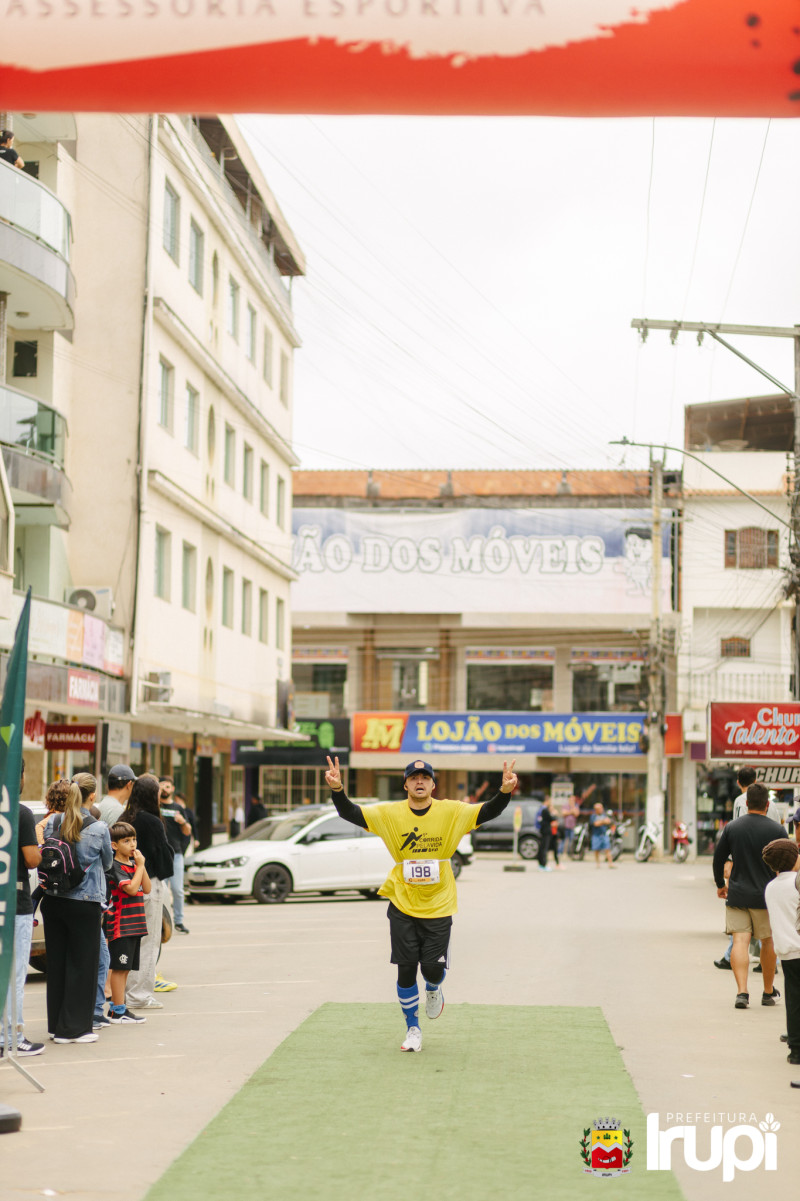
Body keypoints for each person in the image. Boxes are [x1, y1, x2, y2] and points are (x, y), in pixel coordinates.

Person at [325, 754, 519, 1053]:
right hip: (402, 902)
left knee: (431, 970)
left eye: (425, 778)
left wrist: (504, 792)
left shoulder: (452, 811)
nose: (419, 782)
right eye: (414, 778)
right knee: (405, 969)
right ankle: (412, 1029)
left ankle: (433, 987)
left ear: (433, 785)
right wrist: (338, 789)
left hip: (439, 903)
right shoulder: (389, 813)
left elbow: (488, 810)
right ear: (405, 785)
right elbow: (350, 812)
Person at [41, 775, 112, 1044]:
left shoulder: (54, 822)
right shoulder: (99, 827)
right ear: (91, 795)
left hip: (53, 899)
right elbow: (107, 863)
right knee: (83, 965)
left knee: (57, 964)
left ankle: (55, 1025)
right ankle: (74, 1029)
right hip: (84, 901)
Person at [712, 782, 785, 1010]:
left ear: (746, 803)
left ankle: (742, 993)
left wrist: (720, 884)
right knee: (768, 942)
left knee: (740, 942)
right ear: (767, 804)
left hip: (738, 894)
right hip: (766, 897)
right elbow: (786, 863)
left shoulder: (732, 828)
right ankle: (767, 992)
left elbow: (718, 859)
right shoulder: (777, 830)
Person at [1, 759, 44, 1059]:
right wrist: (39, 846)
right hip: (15, 903)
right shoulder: (20, 812)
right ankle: (12, 1037)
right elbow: (31, 859)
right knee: (14, 975)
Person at [120, 775, 175, 1010]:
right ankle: (140, 995)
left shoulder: (125, 818)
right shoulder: (152, 821)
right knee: (149, 941)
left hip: (126, 885)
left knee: (130, 942)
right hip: (148, 884)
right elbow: (165, 860)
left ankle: (124, 993)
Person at [104, 823, 150, 1025]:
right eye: (126, 841)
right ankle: (117, 1010)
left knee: (126, 969)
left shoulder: (133, 865)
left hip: (135, 924)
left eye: (134, 840)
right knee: (119, 968)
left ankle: (119, 1008)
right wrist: (139, 866)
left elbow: (146, 888)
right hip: (121, 925)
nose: (132, 844)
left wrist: (140, 865)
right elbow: (131, 889)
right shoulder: (115, 867)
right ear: (114, 845)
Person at [762, 838, 800, 1066]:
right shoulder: (796, 882)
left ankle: (795, 1050)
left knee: (793, 1000)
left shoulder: (771, 888)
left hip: (786, 952)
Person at [158, 778, 192, 934]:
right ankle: (161, 922)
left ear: (172, 788)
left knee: (178, 890)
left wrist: (183, 822)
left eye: (167, 786)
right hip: (160, 854)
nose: (165, 789)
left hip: (176, 854)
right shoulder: (156, 806)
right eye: (162, 786)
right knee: (161, 890)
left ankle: (179, 921)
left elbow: (187, 831)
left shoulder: (178, 808)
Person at [589, 801, 616, 868]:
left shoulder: (604, 815)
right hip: (596, 835)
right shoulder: (593, 816)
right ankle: (598, 864)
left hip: (604, 834)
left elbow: (608, 821)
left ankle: (610, 863)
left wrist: (601, 822)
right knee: (596, 850)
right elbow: (595, 824)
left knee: (607, 849)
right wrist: (603, 821)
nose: (601, 810)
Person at [536, 796, 554, 872]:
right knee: (544, 848)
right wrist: (553, 813)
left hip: (542, 831)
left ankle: (541, 864)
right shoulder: (544, 810)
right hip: (546, 831)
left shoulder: (540, 809)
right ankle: (543, 864)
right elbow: (551, 818)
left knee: (542, 847)